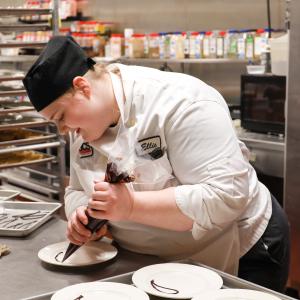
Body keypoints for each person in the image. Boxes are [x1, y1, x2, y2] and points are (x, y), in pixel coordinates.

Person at [23, 36, 290, 293]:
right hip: (154, 265)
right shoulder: (82, 123)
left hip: (241, 249)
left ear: (83, 87)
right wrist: (82, 214)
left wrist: (131, 207)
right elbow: (76, 191)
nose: (62, 130)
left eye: (61, 117)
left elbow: (225, 198)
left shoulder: (181, 102)